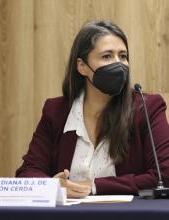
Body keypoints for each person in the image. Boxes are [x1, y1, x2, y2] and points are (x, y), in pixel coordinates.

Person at [16, 20, 169, 198]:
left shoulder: (146, 108)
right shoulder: (56, 112)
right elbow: (27, 174)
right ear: (82, 67)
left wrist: (94, 186)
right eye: (107, 56)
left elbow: (164, 175)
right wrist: (52, 186)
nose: (118, 64)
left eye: (123, 56)